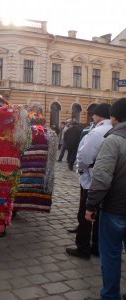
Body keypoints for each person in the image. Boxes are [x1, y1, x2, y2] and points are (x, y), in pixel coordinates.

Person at [84, 98, 126, 300]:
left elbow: (101, 177)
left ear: (115, 117)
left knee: (111, 254)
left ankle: (110, 296)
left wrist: (91, 205)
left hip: (116, 209)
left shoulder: (113, 140)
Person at [66, 103, 112, 259]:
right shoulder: (114, 130)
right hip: (109, 179)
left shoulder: (96, 132)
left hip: (91, 179)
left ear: (99, 115)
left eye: (94, 114)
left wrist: (81, 169)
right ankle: (97, 247)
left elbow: (85, 157)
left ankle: (83, 248)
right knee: (100, 215)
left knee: (85, 214)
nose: (92, 116)